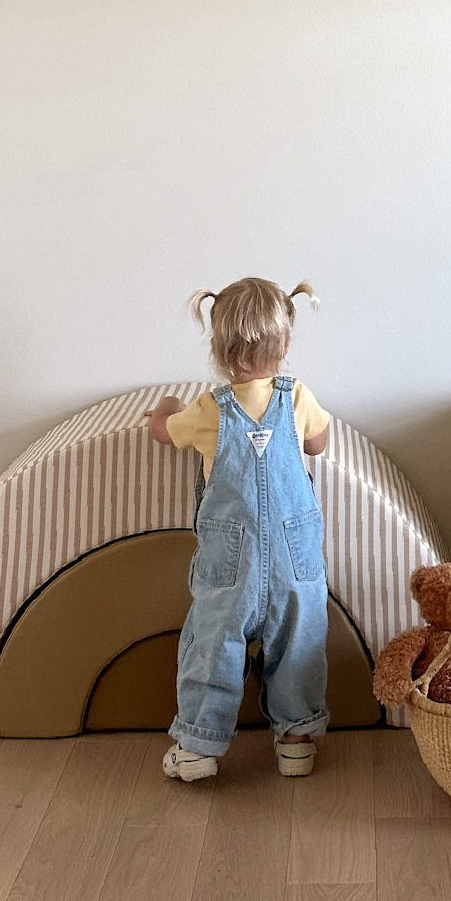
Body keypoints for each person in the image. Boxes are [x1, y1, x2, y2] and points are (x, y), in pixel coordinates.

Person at [147, 277, 331, 780]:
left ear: (218, 349)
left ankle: (199, 748)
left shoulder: (210, 410)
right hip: (296, 557)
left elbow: (164, 432)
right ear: (286, 345)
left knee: (215, 641)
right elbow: (316, 445)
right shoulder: (298, 400)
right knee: (299, 638)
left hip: (233, 560)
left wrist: (165, 410)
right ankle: (296, 743)